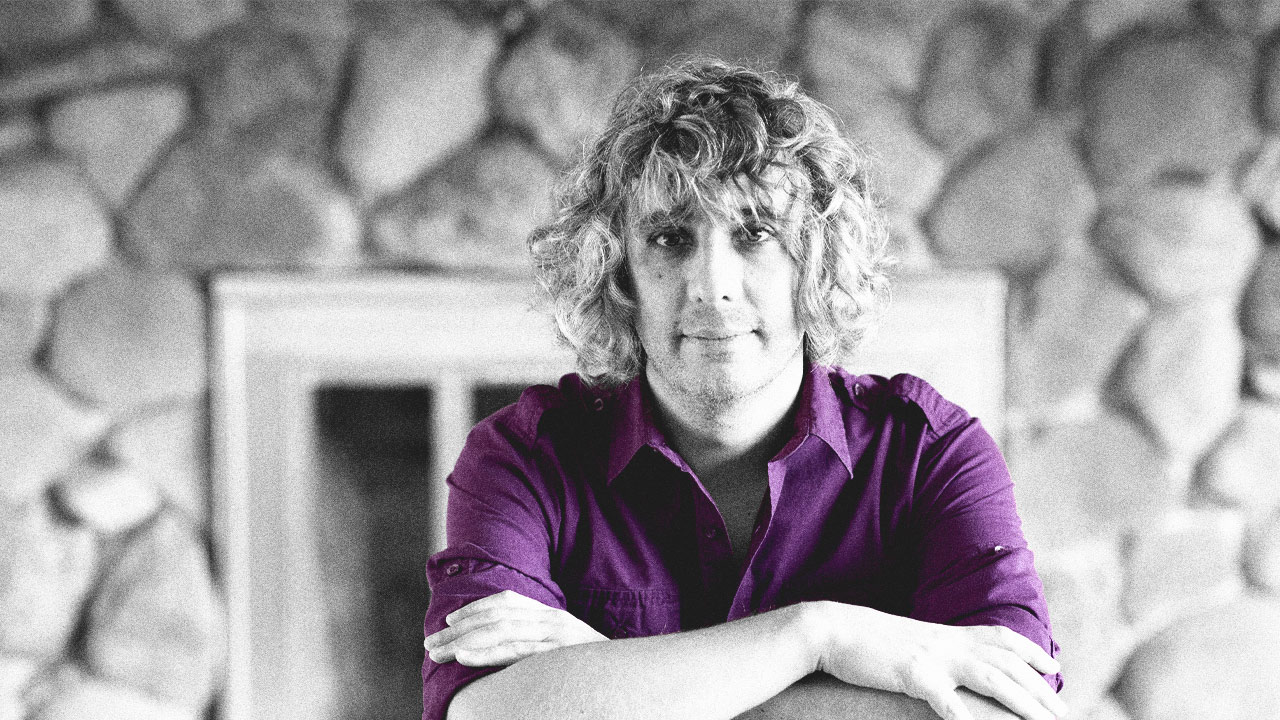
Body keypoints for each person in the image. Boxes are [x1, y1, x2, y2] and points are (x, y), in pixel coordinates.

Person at [421, 59, 1064, 720]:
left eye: (755, 234)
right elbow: (484, 713)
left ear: (815, 261)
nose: (711, 286)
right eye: (669, 238)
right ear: (620, 273)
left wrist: (611, 676)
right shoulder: (523, 456)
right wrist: (817, 637)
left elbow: (1010, 712)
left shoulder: (930, 452)